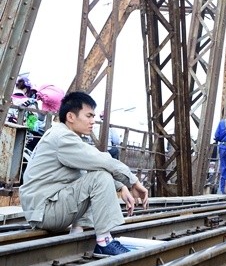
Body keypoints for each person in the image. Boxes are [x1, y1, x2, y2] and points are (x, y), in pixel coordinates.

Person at [19, 91, 149, 256]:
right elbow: (103, 161)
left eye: (93, 116)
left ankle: (79, 232)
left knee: (92, 175)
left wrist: (121, 186)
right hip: (46, 211)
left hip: (44, 209)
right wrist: (133, 182)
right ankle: (104, 242)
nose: (93, 121)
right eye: (88, 116)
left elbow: (90, 165)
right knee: (99, 178)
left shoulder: (63, 136)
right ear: (71, 117)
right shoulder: (63, 138)